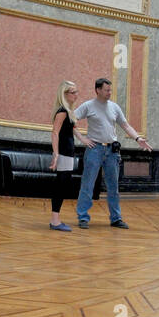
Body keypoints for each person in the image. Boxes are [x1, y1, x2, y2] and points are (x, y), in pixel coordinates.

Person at [74, 77, 151, 229]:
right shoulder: (88, 106)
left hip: (112, 152)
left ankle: (116, 218)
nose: (110, 92)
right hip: (94, 149)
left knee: (113, 187)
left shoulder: (114, 107)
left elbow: (125, 125)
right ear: (98, 90)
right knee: (87, 185)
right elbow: (71, 120)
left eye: (110, 90)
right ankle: (83, 217)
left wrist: (138, 138)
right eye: (107, 90)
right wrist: (82, 139)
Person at [49, 80, 90, 233]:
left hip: (68, 153)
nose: (76, 95)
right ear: (64, 94)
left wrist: (84, 140)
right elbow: (55, 133)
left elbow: (73, 129)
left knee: (63, 184)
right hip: (63, 153)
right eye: (73, 92)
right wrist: (56, 154)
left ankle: (56, 219)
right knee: (61, 185)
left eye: (76, 91)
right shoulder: (62, 111)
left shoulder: (69, 112)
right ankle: (55, 220)